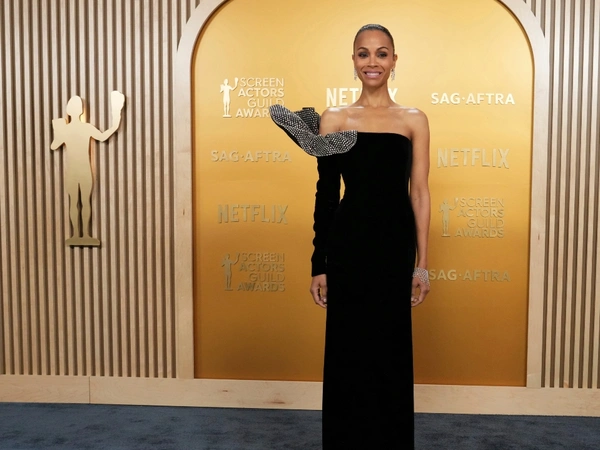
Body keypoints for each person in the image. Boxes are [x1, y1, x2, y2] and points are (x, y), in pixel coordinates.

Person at [270, 23, 430, 449]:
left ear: (394, 61)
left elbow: (419, 192)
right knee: (348, 352)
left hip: (394, 247)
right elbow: (326, 195)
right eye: (363, 53)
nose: (372, 62)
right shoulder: (335, 118)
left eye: (381, 53)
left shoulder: (413, 120)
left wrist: (422, 264)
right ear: (354, 60)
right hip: (348, 248)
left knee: (390, 352)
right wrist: (319, 264)